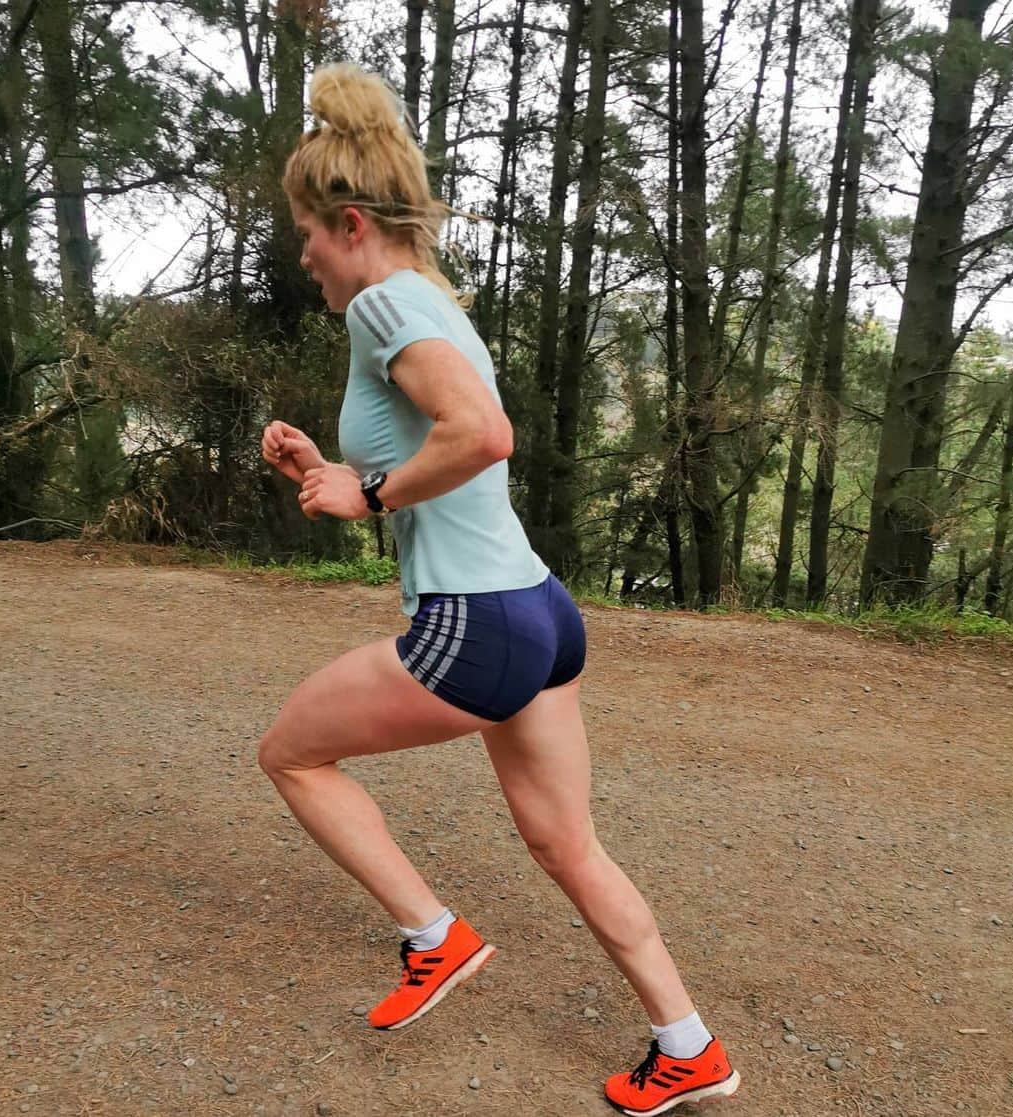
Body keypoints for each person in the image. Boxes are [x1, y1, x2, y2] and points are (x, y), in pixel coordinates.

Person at [257, 62, 739, 1115]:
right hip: (539, 610)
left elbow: (482, 436)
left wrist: (370, 492)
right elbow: (443, 445)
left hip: (475, 622)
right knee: (568, 844)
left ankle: (435, 937)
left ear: (349, 222)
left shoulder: (382, 301)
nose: (301, 254)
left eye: (305, 231)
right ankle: (688, 1041)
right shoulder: (427, 299)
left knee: (290, 751)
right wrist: (326, 472)